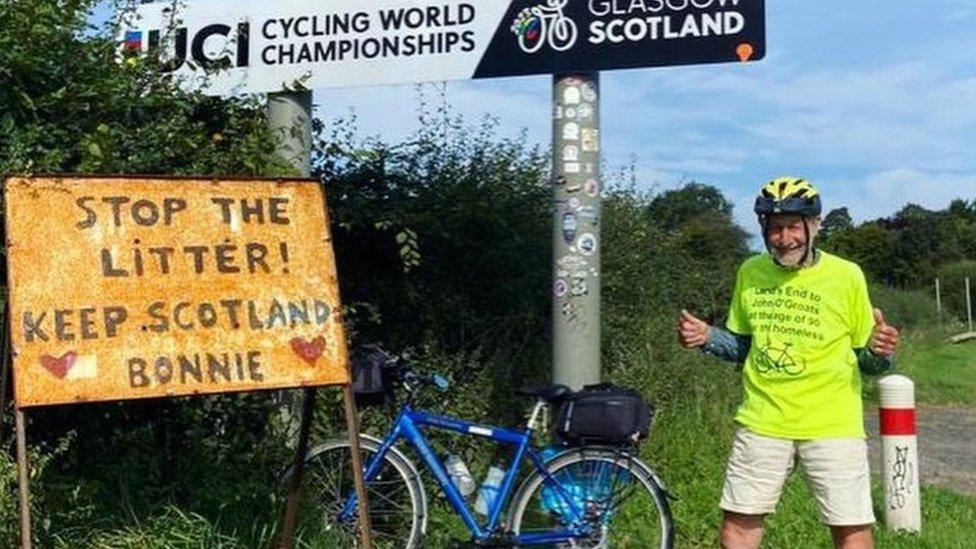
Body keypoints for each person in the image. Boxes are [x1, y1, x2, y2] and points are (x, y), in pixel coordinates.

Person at [677, 177, 900, 549]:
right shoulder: (750, 271)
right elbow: (742, 345)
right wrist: (708, 338)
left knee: (851, 530)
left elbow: (869, 362)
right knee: (738, 529)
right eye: (775, 228)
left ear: (814, 225)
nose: (785, 238)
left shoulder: (846, 276)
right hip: (762, 421)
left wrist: (879, 352)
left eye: (793, 226)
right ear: (763, 229)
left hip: (833, 425)